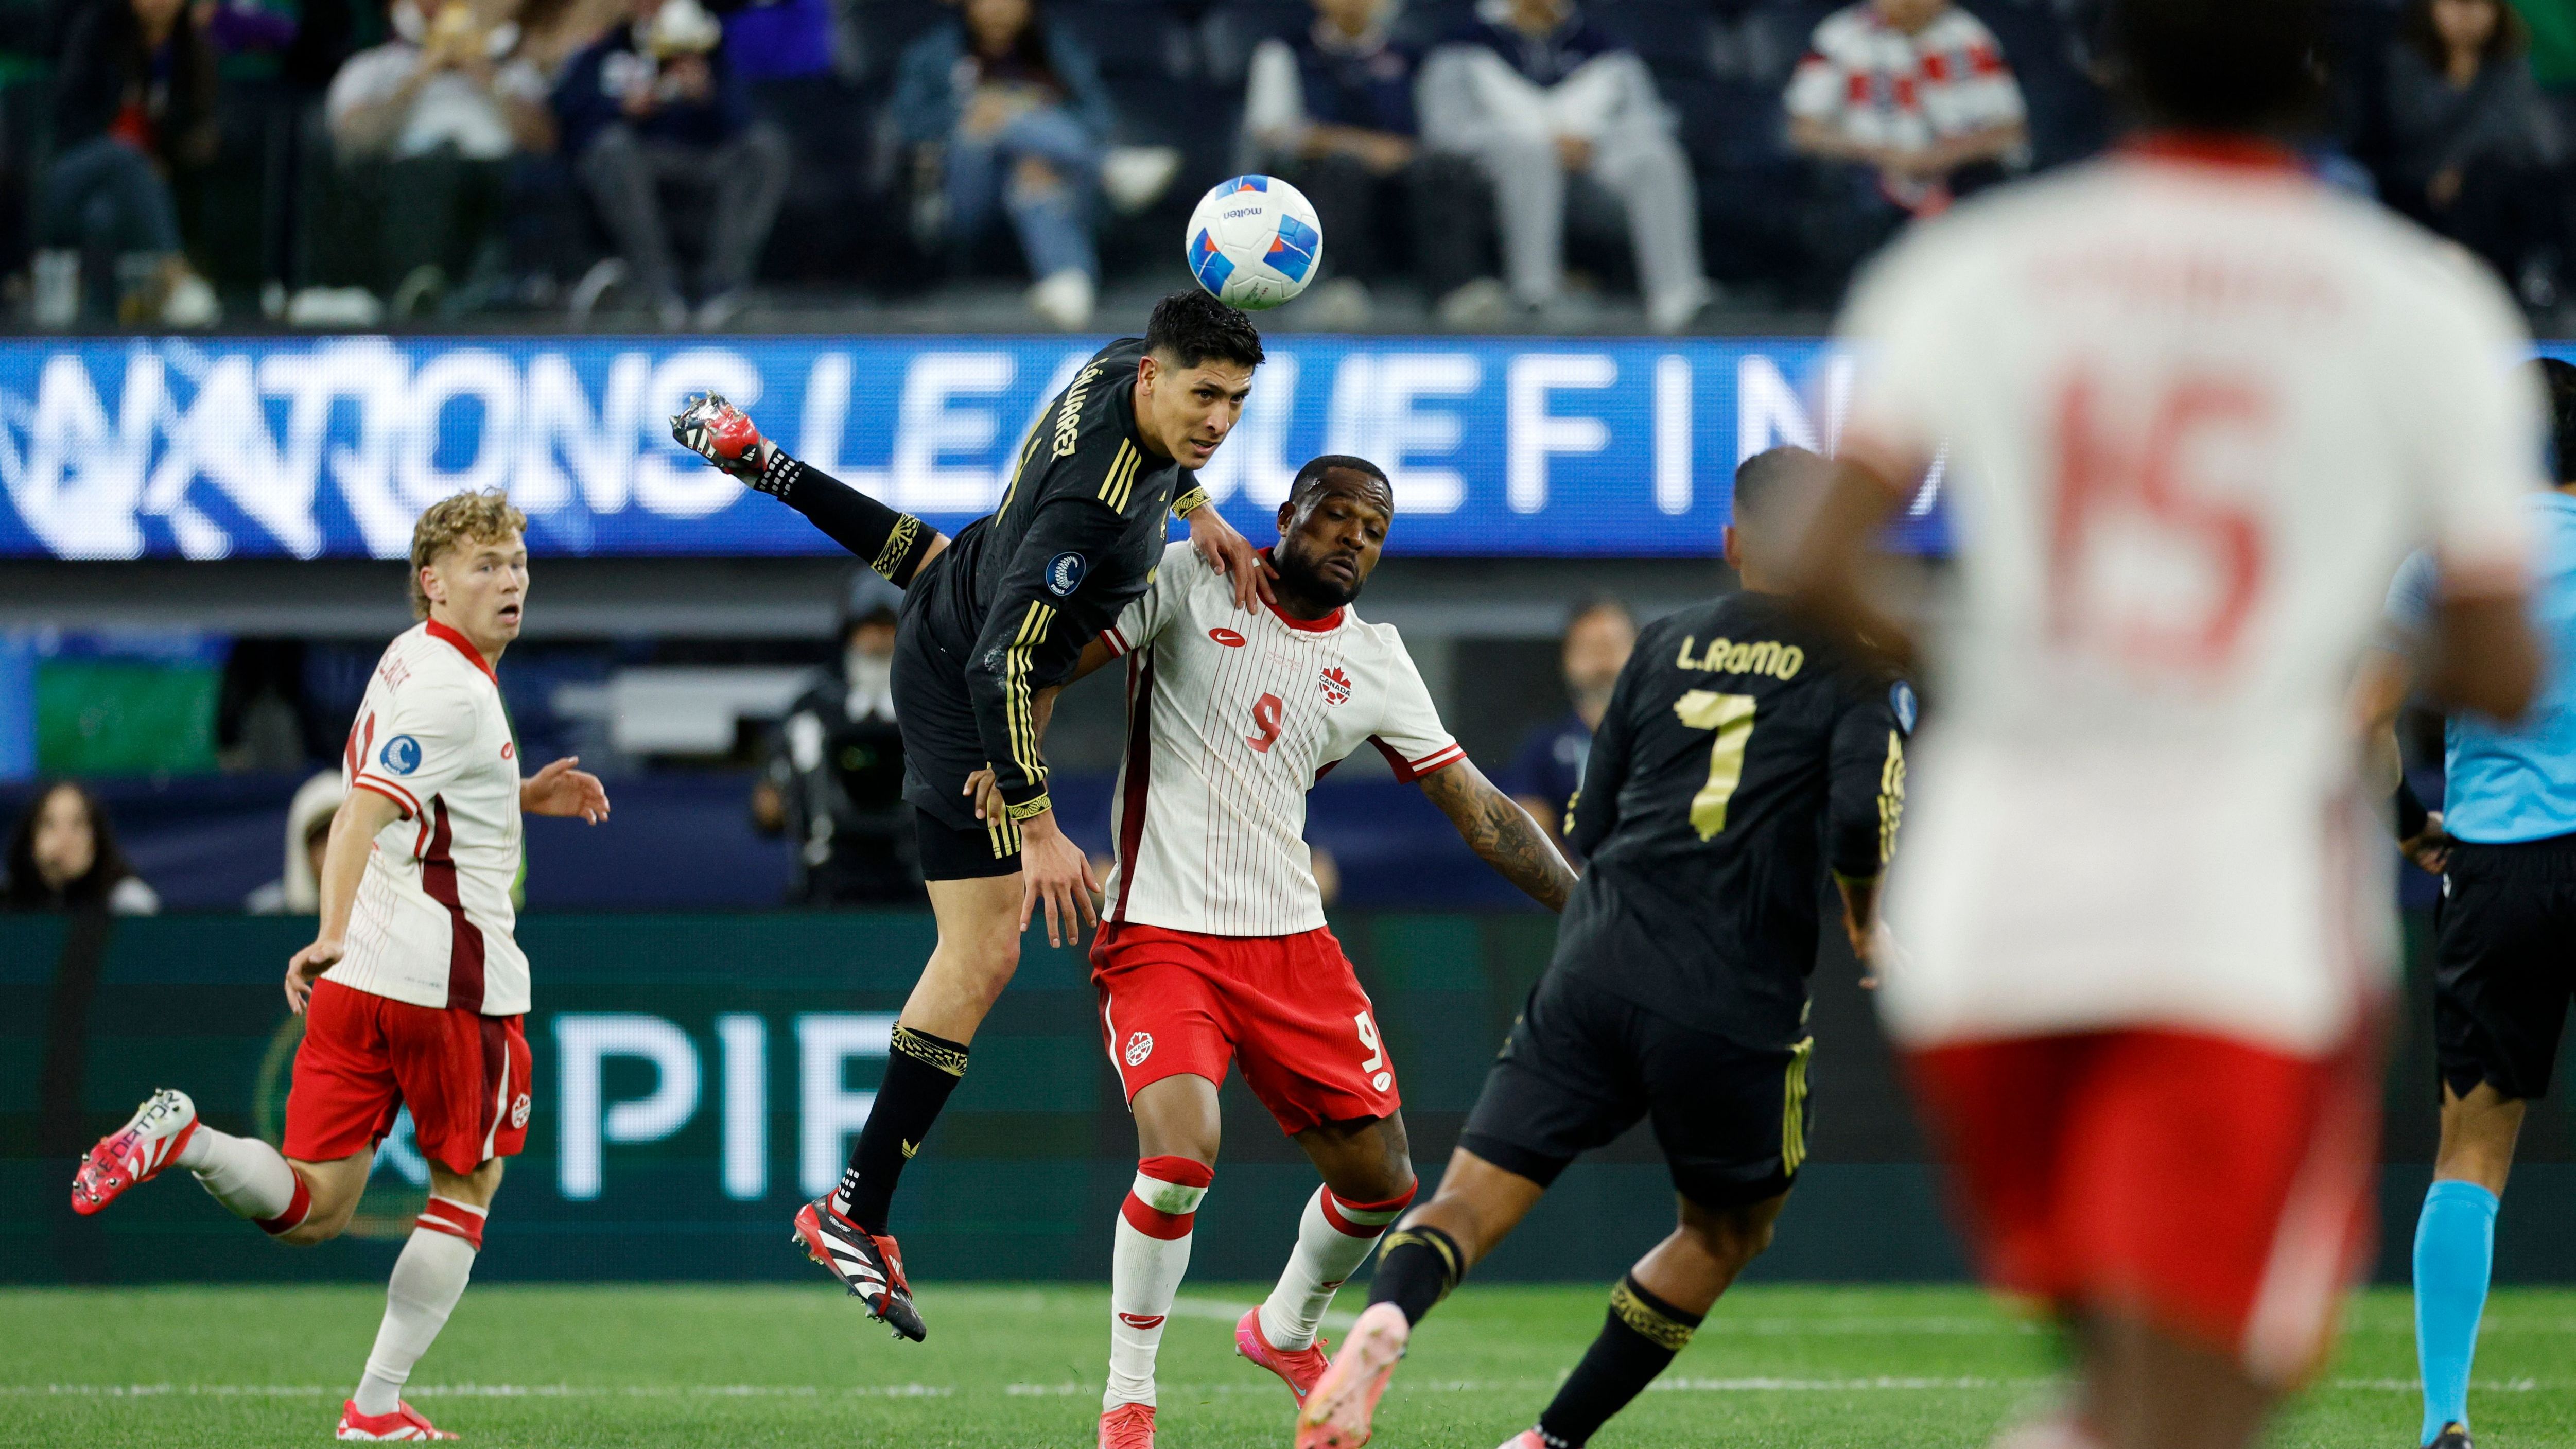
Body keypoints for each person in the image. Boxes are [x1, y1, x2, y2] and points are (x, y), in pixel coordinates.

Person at [1777, 1, 2547, 1446]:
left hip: (1991, 894)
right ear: (2317, 66)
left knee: (2114, 1375)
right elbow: (2499, 666)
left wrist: (2007, 658)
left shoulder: (1974, 267)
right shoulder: (2421, 301)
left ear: (2102, 61)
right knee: (2207, 1390)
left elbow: (1815, 555)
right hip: (2233, 900)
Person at [669, 288, 1270, 1341]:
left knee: (937, 563)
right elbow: (1003, 661)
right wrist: (1034, 815)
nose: (1218, 418)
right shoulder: (1092, 512)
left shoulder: (1119, 369)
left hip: (985, 592)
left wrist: (1200, 508)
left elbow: (1144, 471)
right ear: (1155, 377)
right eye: (1204, 395)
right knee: (984, 950)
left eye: (1236, 400)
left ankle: (763, 463)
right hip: (965, 678)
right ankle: (854, 1211)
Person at [1297, 447, 1907, 1449]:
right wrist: (1864, 912)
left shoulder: (1660, 646)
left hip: (1597, 958)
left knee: (1468, 1195)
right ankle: (1550, 1439)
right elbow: (1860, 818)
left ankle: (1388, 1318)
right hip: (1732, 993)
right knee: (1722, 1232)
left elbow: (1597, 816)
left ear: (1733, 545)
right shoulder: (1858, 666)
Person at [968, 455, 1574, 1449]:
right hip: (1159, 929)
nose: (1352, 542)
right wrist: (1014, 764)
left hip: (1289, 942)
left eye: (1372, 533)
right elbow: (1047, 659)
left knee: (1382, 1181)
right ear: (1287, 514)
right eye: (1335, 519)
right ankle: (1128, 1401)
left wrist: (1584, 905)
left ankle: (1283, 1330)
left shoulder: (1374, 658)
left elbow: (1481, 812)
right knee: (1176, 1158)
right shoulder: (1189, 577)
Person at [66, 490, 610, 1443]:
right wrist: (324, 928)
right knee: (466, 1189)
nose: (511, 581)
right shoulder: (454, 686)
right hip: (450, 980)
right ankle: (376, 1405)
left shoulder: (412, 660)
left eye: (517, 562)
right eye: (485, 566)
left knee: (316, 1207)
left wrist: (516, 794)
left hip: (365, 979)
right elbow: (360, 813)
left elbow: (414, 798)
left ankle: (186, 1137)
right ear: (432, 584)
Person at [2351, 357, 2576, 1449]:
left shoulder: (2448, 555)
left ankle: (2446, 1421)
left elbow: (2360, 716)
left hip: (2500, 867)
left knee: (2472, 1152)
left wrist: (2405, 823)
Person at [1413, 0, 1713, 333]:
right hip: (1502, 172)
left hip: (1594, 166)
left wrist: (1594, 143)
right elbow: (1446, 128)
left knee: (1657, 157)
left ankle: (1677, 297)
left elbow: (1648, 118)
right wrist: (1539, 141)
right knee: (1532, 155)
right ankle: (1536, 295)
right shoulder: (1463, 46)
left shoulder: (1604, 48)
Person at [1240, 0, 1481, 327]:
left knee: (1443, 169)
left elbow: (1439, 129)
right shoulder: (1285, 51)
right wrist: (1358, 146)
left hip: (1399, 168)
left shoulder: (1410, 56)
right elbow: (1272, 129)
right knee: (1344, 168)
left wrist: (1401, 152)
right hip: (1316, 172)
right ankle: (1342, 287)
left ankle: (1454, 291)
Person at [552, 0, 790, 329]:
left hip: (705, 163)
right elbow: (569, 124)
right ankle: (658, 292)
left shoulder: (709, 48)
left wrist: (708, 96)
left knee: (764, 149)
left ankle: (722, 292)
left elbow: (745, 121)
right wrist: (622, 109)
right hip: (640, 162)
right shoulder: (608, 51)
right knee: (611, 149)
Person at [892, 0, 1116, 330]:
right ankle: (1110, 168)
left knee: (1031, 164)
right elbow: (908, 125)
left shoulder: (1055, 47)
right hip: (966, 187)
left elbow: (1099, 119)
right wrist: (968, 115)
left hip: (1045, 182)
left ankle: (1068, 282)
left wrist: (1026, 106)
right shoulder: (935, 51)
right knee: (995, 119)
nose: (997, 8)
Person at [324, 0, 556, 317]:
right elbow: (356, 142)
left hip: (497, 179)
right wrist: (422, 74)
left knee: (529, 177)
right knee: (437, 167)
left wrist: (487, 77)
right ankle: (417, 293)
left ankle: (524, 292)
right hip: (413, 183)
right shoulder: (373, 68)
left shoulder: (510, 71)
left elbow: (545, 142)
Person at [37, 0, 223, 327]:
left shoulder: (190, 49)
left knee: (102, 215)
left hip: (138, 189)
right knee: (127, 157)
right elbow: (68, 118)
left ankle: (101, 326)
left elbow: (195, 127)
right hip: (73, 172)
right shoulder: (97, 32)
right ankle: (176, 275)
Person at [2384, 0, 2567, 311]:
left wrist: (2457, 167)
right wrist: (2440, 169)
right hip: (2416, 184)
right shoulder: (2403, 58)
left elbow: (2512, 128)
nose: (2466, 14)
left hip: (2490, 186)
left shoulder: (2510, 60)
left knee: (2497, 175)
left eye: (2478, 4)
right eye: (2455, 4)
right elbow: (2405, 131)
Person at [753, 574, 923, 905]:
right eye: (867, 627)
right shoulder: (812, 710)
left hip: (917, 879)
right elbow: (767, 812)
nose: (877, 641)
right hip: (827, 884)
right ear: (849, 633)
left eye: (889, 627)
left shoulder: (934, 708)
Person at [1508, 595, 1633, 860]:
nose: (1603, 663)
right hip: (1569, 893)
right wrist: (1579, 893)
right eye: (1590, 649)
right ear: (1568, 659)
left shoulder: (1664, 737)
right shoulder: (1542, 747)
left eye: (1611, 647)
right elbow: (1530, 836)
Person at [3, 780, 159, 914]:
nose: (65, 838)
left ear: (96, 836)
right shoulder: (7, 900)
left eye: (77, 824)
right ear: (30, 839)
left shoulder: (127, 903)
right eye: (50, 824)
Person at [246, 771, 350, 915]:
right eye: (323, 839)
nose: (335, 848)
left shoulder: (388, 914)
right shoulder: (266, 919)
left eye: (345, 835)